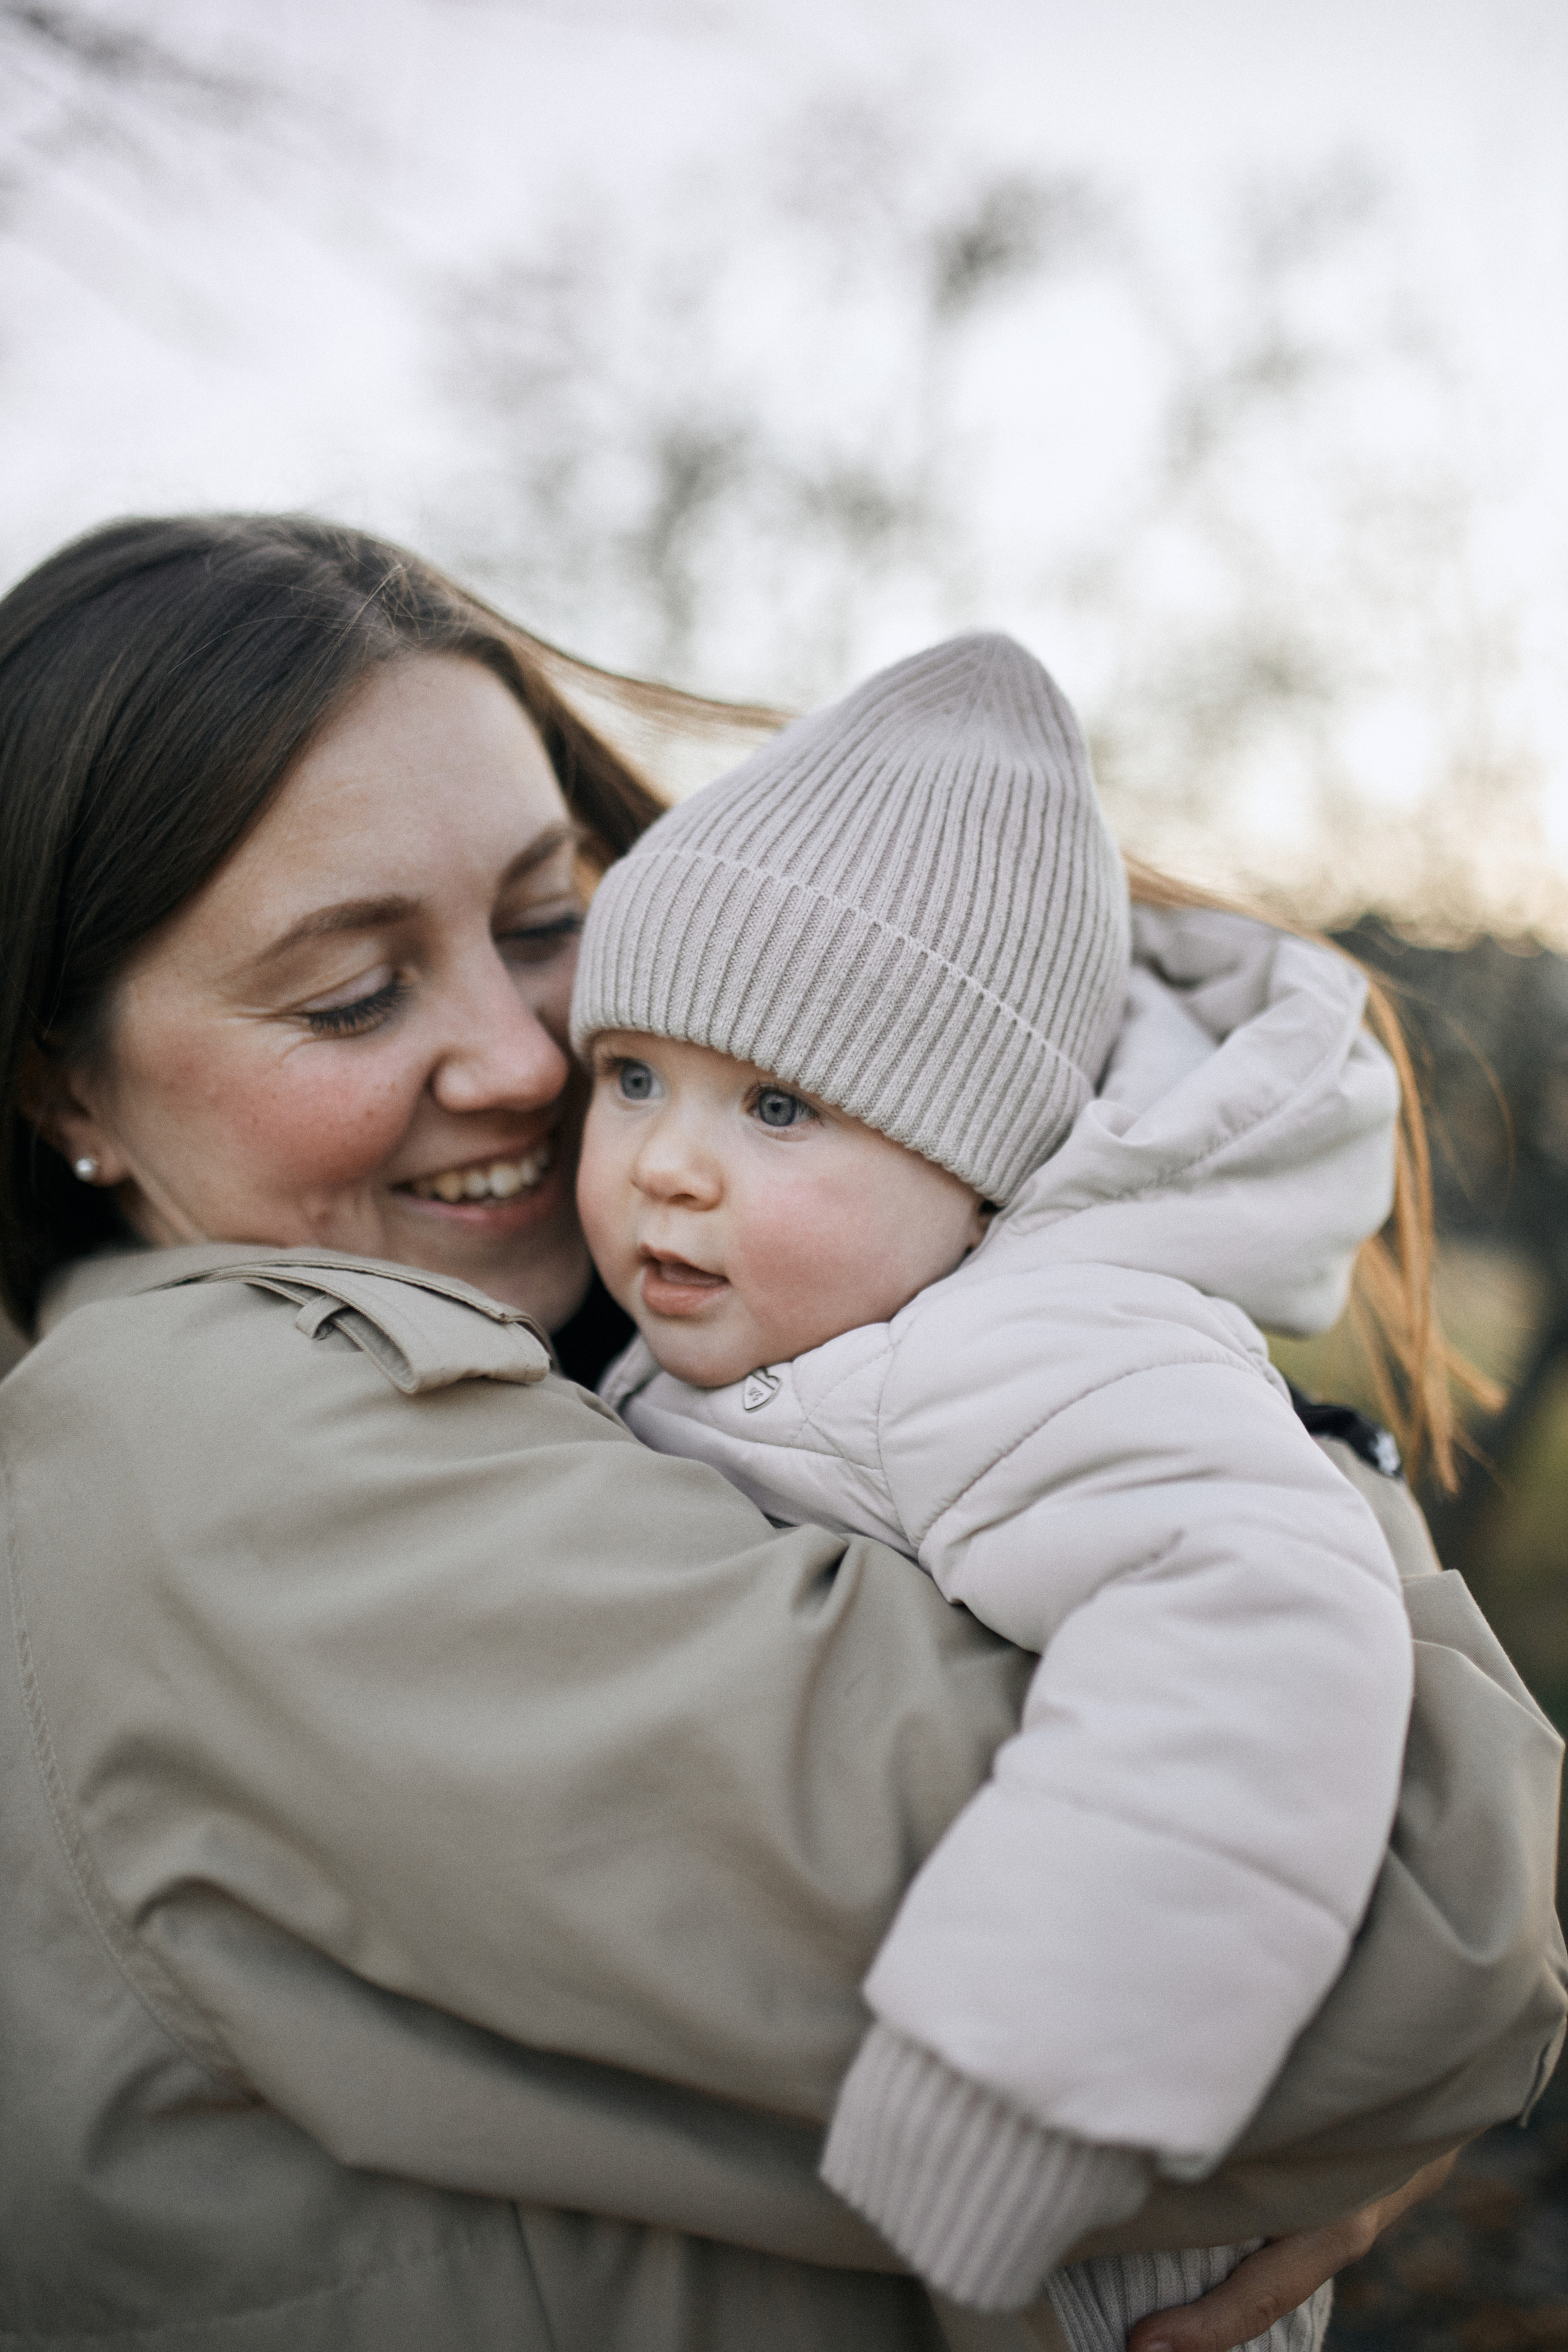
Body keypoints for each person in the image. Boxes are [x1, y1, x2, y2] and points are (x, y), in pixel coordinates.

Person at [0, 515, 1558, 2352]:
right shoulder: (210, 1461)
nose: (523, 1060)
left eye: (545, 921)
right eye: (352, 992)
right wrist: (1126, 1301)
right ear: (66, 1084)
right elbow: (1366, 1961)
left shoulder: (658, 1368)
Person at [565, 631, 1416, 2337]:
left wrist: (1008, 2090)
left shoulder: (1035, 1343)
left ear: (980, 1171)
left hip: (1080, 2251)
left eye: (781, 1103)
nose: (667, 1155)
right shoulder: (815, 1317)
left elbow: (1258, 1628)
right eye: (634, 1075)